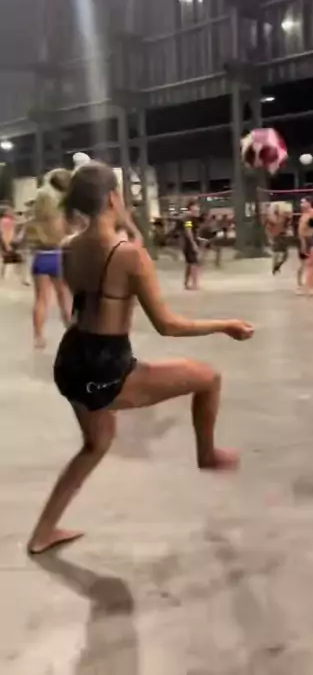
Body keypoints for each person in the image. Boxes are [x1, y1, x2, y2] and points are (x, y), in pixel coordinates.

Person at [27, 163, 254, 555]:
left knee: (96, 444)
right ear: (114, 198)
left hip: (71, 357)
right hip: (106, 366)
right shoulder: (128, 255)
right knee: (208, 378)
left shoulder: (68, 247)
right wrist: (225, 325)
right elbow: (167, 325)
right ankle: (207, 455)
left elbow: (83, 299)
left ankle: (42, 533)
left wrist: (124, 224)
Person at [28, 169, 73, 348]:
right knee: (64, 297)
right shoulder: (63, 210)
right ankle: (71, 332)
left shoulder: (37, 212)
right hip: (59, 254)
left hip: (41, 255)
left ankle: (38, 337)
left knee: (41, 299)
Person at [182, 200, 201, 289]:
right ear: (191, 207)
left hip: (190, 242)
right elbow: (188, 230)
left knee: (190, 263)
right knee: (194, 263)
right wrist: (193, 244)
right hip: (189, 243)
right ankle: (194, 284)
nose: (197, 208)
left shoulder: (192, 218)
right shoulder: (188, 218)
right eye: (195, 206)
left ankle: (186, 283)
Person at [267, 205, 289, 275]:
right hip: (276, 237)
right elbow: (268, 229)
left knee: (285, 255)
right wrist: (270, 238)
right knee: (276, 254)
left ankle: (277, 266)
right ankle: (274, 268)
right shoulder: (271, 219)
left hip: (282, 236)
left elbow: (287, 224)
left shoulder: (282, 218)